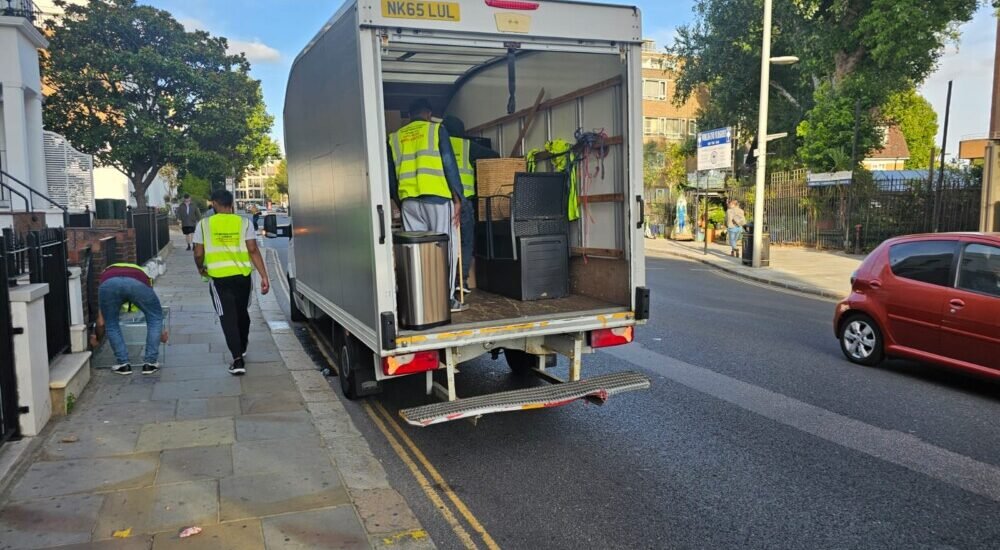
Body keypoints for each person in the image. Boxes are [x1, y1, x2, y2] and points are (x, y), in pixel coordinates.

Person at [388, 98, 467, 312]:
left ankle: (421, 299)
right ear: (429, 114)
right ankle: (447, 300)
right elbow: (449, 163)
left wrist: (400, 200)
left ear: (410, 115)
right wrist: (458, 199)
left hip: (409, 203)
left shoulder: (395, 138)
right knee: (445, 250)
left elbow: (391, 176)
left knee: (416, 253)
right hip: (438, 199)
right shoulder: (436, 131)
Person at [193, 189, 270, 375]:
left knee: (228, 317)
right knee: (242, 313)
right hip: (242, 276)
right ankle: (242, 345)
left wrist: (200, 268)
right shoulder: (244, 222)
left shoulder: (204, 225)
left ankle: (237, 360)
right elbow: (252, 249)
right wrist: (264, 276)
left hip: (219, 278)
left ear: (215, 204)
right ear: (231, 204)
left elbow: (198, 253)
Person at [442, 115, 499, 293]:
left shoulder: (436, 145)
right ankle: (461, 281)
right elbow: (494, 155)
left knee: (443, 241)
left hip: (442, 200)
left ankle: (443, 281)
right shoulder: (467, 146)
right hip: (465, 200)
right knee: (466, 241)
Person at [89, 263, 167, 375]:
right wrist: (161, 332)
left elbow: (101, 323)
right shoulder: (143, 274)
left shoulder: (105, 277)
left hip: (109, 284)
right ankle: (150, 363)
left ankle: (123, 364)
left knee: (111, 323)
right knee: (154, 318)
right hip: (138, 282)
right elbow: (155, 315)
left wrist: (97, 341)